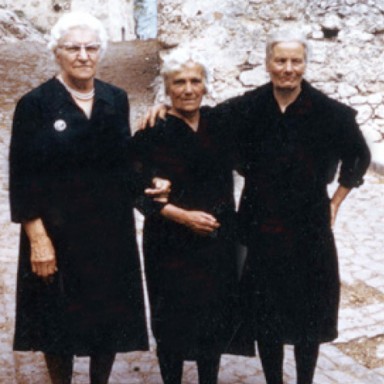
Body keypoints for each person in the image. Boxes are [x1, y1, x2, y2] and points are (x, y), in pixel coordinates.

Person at [141, 29, 371, 384]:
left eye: (296, 61)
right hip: (260, 223)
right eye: (280, 60)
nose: (288, 68)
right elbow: (197, 113)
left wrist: (336, 202)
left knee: (308, 312)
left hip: (310, 222)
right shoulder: (247, 107)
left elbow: (359, 156)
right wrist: (163, 107)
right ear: (268, 63)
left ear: (305, 64)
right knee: (268, 312)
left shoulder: (330, 112)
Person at [9, 12, 169, 384]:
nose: (83, 55)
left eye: (91, 47)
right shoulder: (35, 105)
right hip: (57, 232)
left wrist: (153, 181)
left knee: (107, 316)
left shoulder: (116, 99)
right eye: (73, 48)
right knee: (56, 320)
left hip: (109, 230)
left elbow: (126, 165)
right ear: (57, 53)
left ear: (100, 52)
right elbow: (22, 177)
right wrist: (38, 239)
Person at [133, 48, 248, 384]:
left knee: (213, 319)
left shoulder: (220, 123)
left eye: (195, 80)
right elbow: (133, 188)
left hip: (217, 243)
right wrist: (182, 216)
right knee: (172, 325)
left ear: (205, 85)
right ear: (167, 88)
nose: (187, 88)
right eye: (178, 82)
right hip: (169, 245)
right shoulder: (152, 131)